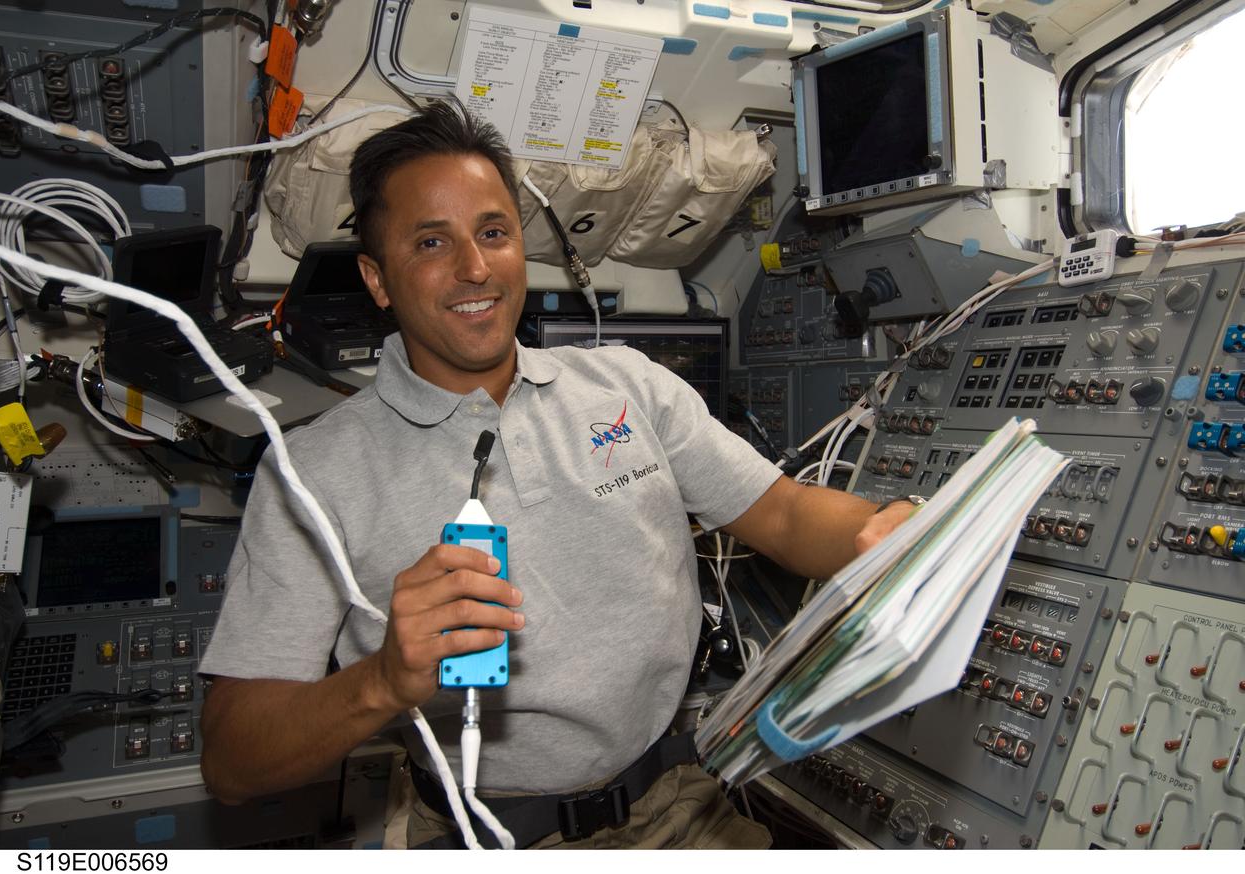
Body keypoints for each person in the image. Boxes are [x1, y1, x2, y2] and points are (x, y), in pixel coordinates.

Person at [197, 102, 915, 849]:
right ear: (377, 280)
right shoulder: (311, 473)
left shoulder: (627, 386)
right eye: (431, 241)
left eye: (494, 233)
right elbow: (233, 760)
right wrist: (380, 681)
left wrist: (880, 533)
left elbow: (786, 515)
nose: (474, 268)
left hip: (681, 808)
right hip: (491, 839)